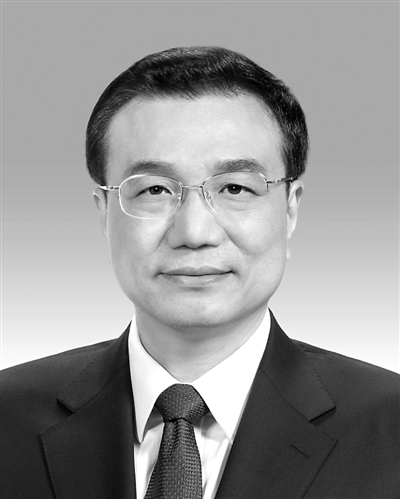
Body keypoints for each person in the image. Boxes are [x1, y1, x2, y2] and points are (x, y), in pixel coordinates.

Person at [1, 46, 399, 499]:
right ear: (104, 211)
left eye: (235, 188)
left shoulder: (389, 427)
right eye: (154, 190)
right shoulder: (7, 417)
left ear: (290, 209)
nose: (194, 233)